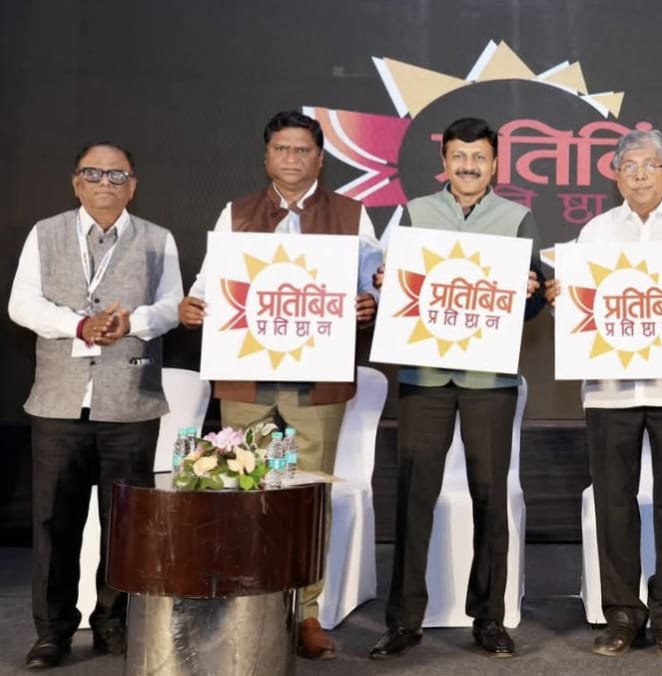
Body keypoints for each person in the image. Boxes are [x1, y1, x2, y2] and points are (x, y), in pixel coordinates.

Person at [177, 110, 382, 660]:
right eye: (282, 149)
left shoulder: (351, 214)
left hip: (318, 378)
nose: (292, 159)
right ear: (267, 156)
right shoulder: (236, 212)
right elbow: (209, 282)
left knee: (309, 495)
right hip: (247, 375)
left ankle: (307, 612)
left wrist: (370, 303)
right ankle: (251, 605)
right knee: (245, 491)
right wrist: (193, 305)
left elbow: (372, 284)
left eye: (302, 150)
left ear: (320, 159)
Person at [544, 128, 662, 658]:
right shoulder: (595, 231)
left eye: (650, 165)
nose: (641, 175)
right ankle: (623, 615)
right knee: (613, 503)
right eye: (630, 166)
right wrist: (561, 300)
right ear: (616, 176)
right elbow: (578, 309)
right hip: (609, 389)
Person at [369, 117, 544, 660]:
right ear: (444, 162)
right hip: (424, 375)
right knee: (413, 496)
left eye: (479, 158)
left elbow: (533, 300)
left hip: (489, 377)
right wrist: (385, 283)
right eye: (459, 157)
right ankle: (404, 621)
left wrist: (531, 292)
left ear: (495, 165)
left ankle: (489, 619)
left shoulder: (516, 218)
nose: (469, 166)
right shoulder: (413, 212)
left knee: (491, 495)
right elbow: (391, 282)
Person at [10, 143, 182, 669]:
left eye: (116, 175)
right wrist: (79, 325)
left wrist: (133, 323)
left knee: (126, 526)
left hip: (130, 403)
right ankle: (53, 632)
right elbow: (22, 304)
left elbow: (172, 307)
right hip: (58, 402)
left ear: (133, 185)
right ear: (76, 182)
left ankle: (114, 623)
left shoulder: (158, 239)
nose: (105, 182)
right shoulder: (45, 233)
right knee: (53, 523)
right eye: (93, 173)